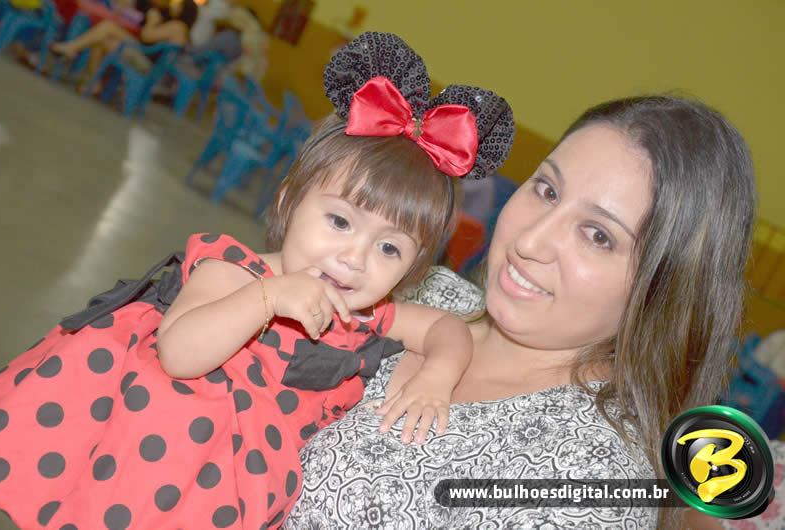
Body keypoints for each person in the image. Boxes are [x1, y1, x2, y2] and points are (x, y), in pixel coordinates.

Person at [0, 32, 515, 530]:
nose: (354, 258)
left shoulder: (366, 313)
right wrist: (266, 298)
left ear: (414, 267)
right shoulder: (234, 271)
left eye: (389, 248)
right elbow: (179, 354)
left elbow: (447, 327)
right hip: (143, 462)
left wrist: (437, 375)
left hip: (224, 494)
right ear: (289, 201)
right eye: (339, 221)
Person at [285, 95, 757, 529]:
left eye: (598, 236)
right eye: (547, 190)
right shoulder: (422, 289)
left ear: (661, 293)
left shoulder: (587, 484)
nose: (529, 241)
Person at [50, 0, 198, 70]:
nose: (174, 5)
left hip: (146, 62)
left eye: (178, 5)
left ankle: (71, 48)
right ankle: (93, 83)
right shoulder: (180, 29)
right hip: (146, 57)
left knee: (106, 29)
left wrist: (152, 21)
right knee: (102, 35)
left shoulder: (178, 26)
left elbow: (146, 36)